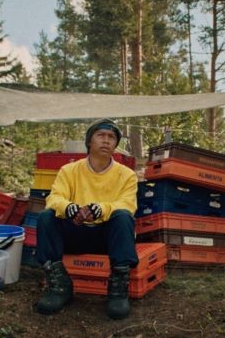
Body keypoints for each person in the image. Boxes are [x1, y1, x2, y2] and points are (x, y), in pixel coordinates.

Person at [35, 118, 138, 320]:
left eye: (111, 137)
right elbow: (54, 198)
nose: (106, 141)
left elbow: (128, 204)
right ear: (89, 142)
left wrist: (101, 209)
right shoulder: (69, 170)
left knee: (123, 216)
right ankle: (59, 286)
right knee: (47, 216)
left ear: (116, 145)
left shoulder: (126, 175)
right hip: (75, 233)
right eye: (101, 135)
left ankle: (118, 290)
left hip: (107, 239)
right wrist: (69, 208)